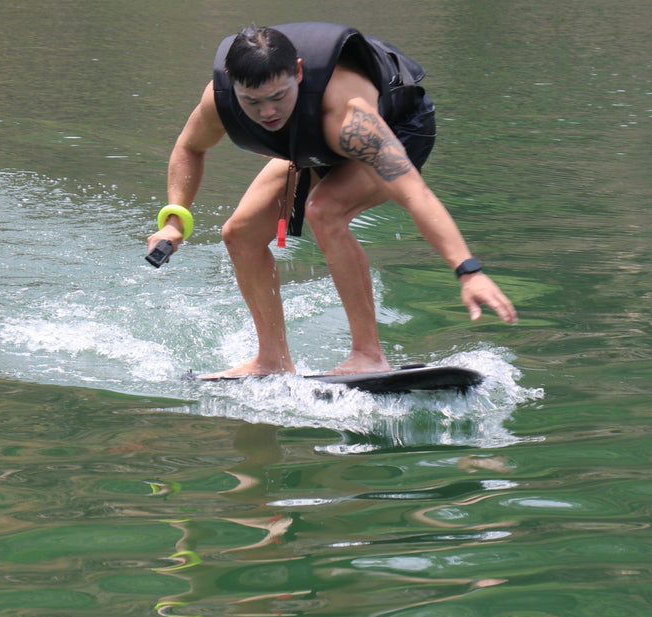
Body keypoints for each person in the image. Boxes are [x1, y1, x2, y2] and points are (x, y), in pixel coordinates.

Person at [147, 22, 517, 378]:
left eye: (278, 96)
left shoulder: (351, 118)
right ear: (231, 83)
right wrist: (175, 219)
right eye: (252, 102)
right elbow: (190, 147)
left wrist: (468, 271)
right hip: (308, 143)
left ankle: (368, 355)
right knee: (240, 234)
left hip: (401, 131)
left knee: (324, 210)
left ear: (298, 72)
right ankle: (272, 359)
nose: (267, 113)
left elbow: (414, 193)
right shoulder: (219, 98)